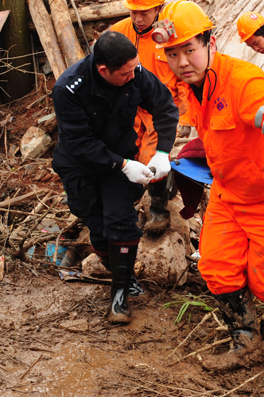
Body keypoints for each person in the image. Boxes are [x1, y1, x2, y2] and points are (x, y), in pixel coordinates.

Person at [156, 0, 264, 372]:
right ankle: (245, 339)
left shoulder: (243, 82)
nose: (182, 61)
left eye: (190, 50)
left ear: (211, 43)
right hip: (227, 194)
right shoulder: (186, 86)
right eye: (173, 53)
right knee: (216, 269)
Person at [52, 32, 179, 325]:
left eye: (135, 69)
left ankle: (119, 296)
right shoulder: (68, 88)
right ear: (103, 70)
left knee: (120, 221)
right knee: (97, 227)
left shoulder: (135, 74)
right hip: (80, 163)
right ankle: (125, 273)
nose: (133, 76)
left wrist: (162, 152)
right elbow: (80, 143)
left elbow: (164, 107)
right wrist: (122, 165)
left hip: (122, 154)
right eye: (125, 73)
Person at [108, 0, 186, 235]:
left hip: (159, 107)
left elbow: (186, 73)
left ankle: (159, 209)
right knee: (126, 151)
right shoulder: (118, 32)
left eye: (144, 12)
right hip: (128, 104)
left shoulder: (170, 34)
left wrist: (184, 109)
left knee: (153, 156)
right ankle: (125, 197)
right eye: (134, 12)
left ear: (158, 9)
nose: (139, 18)